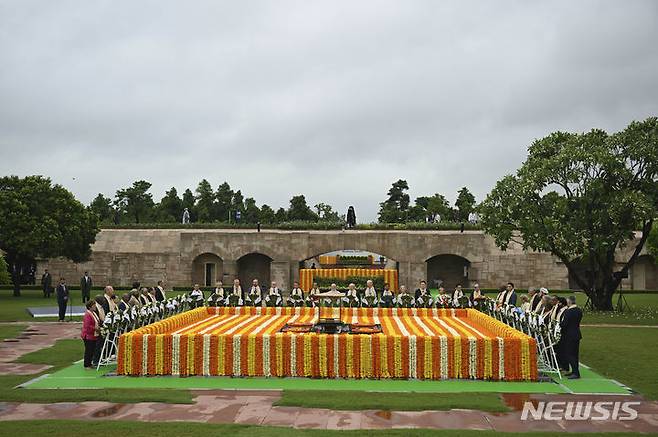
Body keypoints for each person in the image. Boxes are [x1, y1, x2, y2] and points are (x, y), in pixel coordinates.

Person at [560, 296, 583, 379]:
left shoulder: (569, 312)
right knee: (575, 354)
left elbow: (564, 323)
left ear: (569, 302)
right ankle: (574, 371)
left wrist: (559, 325)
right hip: (576, 333)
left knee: (569, 354)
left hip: (569, 335)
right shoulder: (579, 310)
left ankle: (576, 373)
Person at [81, 300, 99, 368]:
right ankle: (86, 364)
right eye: (94, 305)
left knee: (92, 350)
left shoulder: (93, 313)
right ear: (90, 306)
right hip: (88, 336)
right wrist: (95, 328)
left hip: (93, 335)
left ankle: (89, 363)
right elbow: (87, 326)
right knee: (88, 350)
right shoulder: (88, 314)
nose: (95, 307)